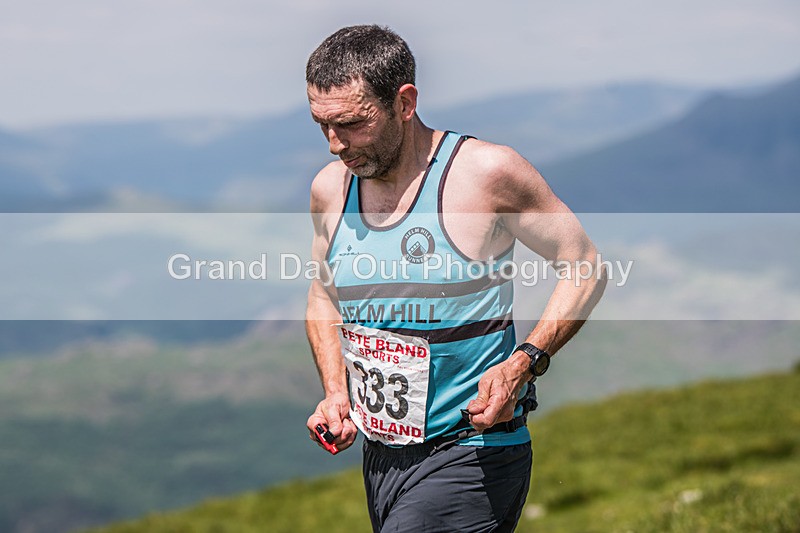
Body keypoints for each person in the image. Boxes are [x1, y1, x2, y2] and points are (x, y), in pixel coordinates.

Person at [304, 24, 606, 532]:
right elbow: (324, 296)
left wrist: (523, 364)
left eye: (351, 124)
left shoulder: (486, 174)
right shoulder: (330, 190)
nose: (335, 144)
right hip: (382, 459)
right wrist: (337, 391)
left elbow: (585, 266)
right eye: (322, 125)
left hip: (474, 451)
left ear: (404, 102)